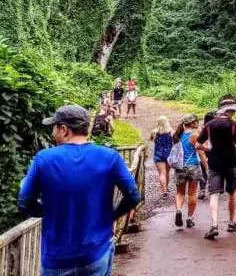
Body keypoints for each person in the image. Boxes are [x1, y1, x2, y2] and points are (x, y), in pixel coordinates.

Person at [18, 105, 141, 276]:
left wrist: (47, 211)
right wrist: (112, 216)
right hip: (96, 252)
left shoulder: (44, 159)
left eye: (53, 127)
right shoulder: (109, 157)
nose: (52, 133)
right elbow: (133, 195)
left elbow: (24, 202)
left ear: (64, 130)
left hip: (57, 258)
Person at [196, 98, 236, 240]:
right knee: (232, 193)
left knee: (214, 194)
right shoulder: (235, 125)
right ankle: (231, 223)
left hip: (214, 164)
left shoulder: (209, 125)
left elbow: (197, 145)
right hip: (232, 164)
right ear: (231, 111)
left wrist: (209, 149)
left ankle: (214, 225)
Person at [173, 114, 205, 229]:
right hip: (193, 166)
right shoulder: (195, 135)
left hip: (179, 166)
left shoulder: (177, 135)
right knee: (192, 193)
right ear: (192, 123)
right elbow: (201, 152)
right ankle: (190, 218)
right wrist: (206, 165)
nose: (198, 123)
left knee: (180, 193)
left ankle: (178, 210)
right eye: (196, 121)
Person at [150, 116, 173, 198]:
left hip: (158, 154)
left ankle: (164, 191)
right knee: (167, 172)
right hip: (169, 154)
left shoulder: (154, 132)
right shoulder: (171, 132)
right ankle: (166, 188)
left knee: (161, 173)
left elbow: (151, 139)